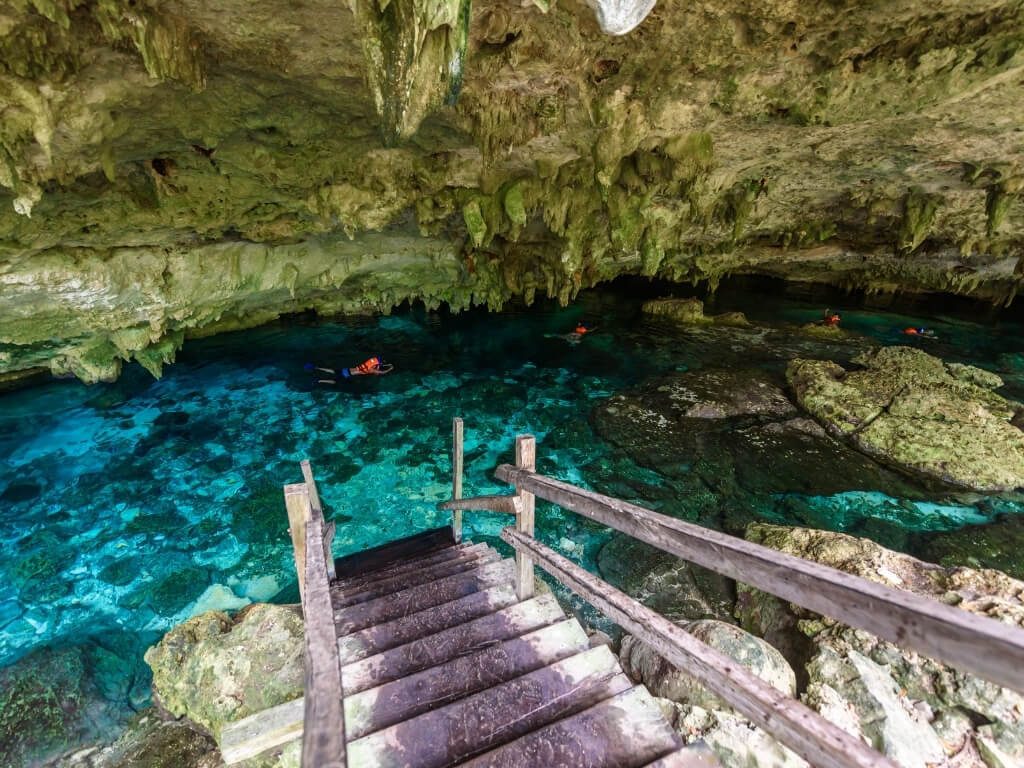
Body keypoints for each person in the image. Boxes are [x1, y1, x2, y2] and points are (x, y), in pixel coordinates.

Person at [305, 357, 393, 384]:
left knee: (333, 371)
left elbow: (377, 365)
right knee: (334, 381)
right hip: (347, 374)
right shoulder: (373, 370)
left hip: (346, 369)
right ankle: (319, 380)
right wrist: (390, 368)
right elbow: (382, 372)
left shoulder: (369, 363)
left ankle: (316, 367)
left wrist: (385, 364)